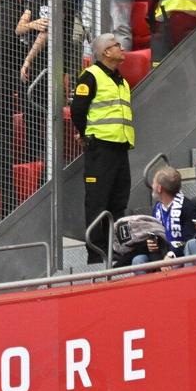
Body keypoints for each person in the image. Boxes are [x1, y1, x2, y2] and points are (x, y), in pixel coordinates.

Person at [71, 33, 133, 263]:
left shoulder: (122, 80)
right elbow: (78, 110)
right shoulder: (91, 76)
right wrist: (86, 135)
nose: (122, 47)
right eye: (117, 45)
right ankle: (96, 256)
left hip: (120, 147)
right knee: (98, 201)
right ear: (106, 52)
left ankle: (117, 248)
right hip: (100, 150)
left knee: (118, 201)